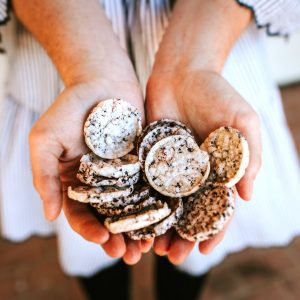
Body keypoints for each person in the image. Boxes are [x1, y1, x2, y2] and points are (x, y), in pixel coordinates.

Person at [0, 0, 300, 299]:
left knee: (188, 242)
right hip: (64, 44)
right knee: (95, 241)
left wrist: (193, 63)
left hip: (212, 40)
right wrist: (86, 68)